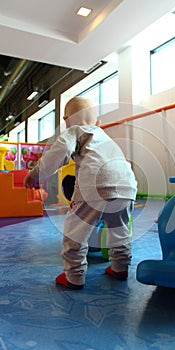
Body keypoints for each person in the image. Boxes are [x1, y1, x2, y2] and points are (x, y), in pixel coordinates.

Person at [24, 97, 137, 289]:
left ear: (66, 120)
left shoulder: (74, 130)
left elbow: (56, 156)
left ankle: (74, 276)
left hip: (95, 184)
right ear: (98, 122)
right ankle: (120, 267)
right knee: (119, 229)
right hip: (127, 184)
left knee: (75, 230)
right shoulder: (105, 137)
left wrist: (35, 175)